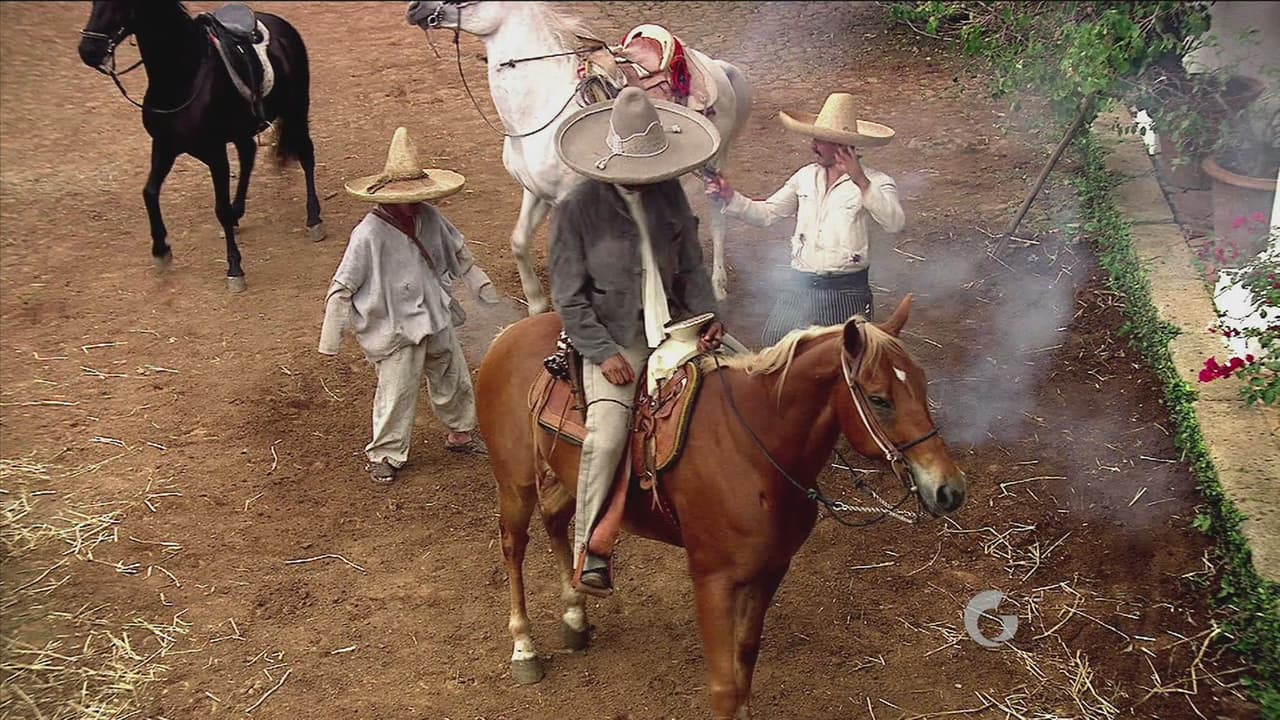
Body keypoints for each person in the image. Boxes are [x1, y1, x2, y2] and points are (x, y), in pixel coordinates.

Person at [549, 86, 725, 596]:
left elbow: (692, 268)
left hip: (677, 330)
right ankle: (590, 552)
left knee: (748, 381)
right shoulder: (575, 209)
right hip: (614, 339)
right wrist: (601, 353)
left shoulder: (670, 194)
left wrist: (712, 317)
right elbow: (568, 296)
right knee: (606, 436)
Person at [319, 127, 499, 485]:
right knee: (398, 390)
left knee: (452, 375)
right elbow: (343, 285)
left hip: (435, 313)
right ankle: (386, 453)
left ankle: (461, 432)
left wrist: (482, 285)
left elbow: (458, 253)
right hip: (396, 326)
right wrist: (331, 336)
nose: (415, 202)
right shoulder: (368, 234)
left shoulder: (430, 218)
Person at [705, 92, 905, 345]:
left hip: (846, 290)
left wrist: (861, 181)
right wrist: (730, 196)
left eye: (819, 140)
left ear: (842, 145)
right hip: (800, 286)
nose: (812, 146)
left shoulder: (876, 182)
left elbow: (895, 223)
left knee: (842, 360)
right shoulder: (805, 177)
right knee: (773, 346)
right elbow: (767, 213)